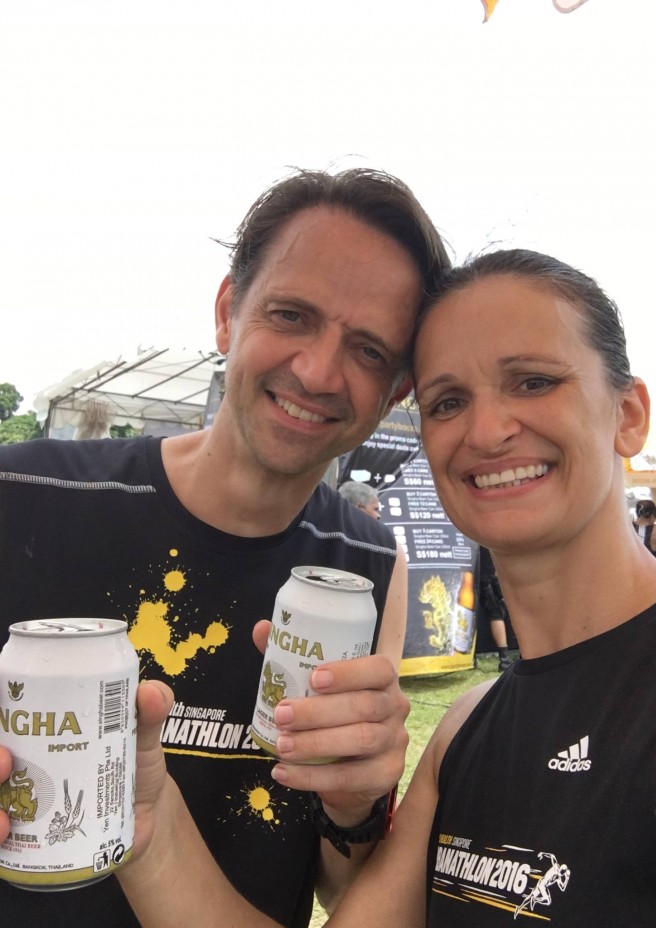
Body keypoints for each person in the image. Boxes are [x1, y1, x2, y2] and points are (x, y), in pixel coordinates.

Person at [90, 246, 656, 926]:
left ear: (628, 414)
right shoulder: (463, 733)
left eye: (533, 382)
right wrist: (150, 822)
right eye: (448, 401)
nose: (487, 431)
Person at [0, 167, 451, 927]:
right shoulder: (24, 495)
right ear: (226, 313)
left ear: (397, 391)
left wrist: (355, 803)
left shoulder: (371, 563)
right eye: (291, 315)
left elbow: (340, 887)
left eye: (370, 351)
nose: (318, 372)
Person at [476, 545, 514, 671]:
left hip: (470, 571)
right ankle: (504, 659)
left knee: (469, 613)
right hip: (488, 573)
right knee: (496, 614)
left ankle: (504, 659)